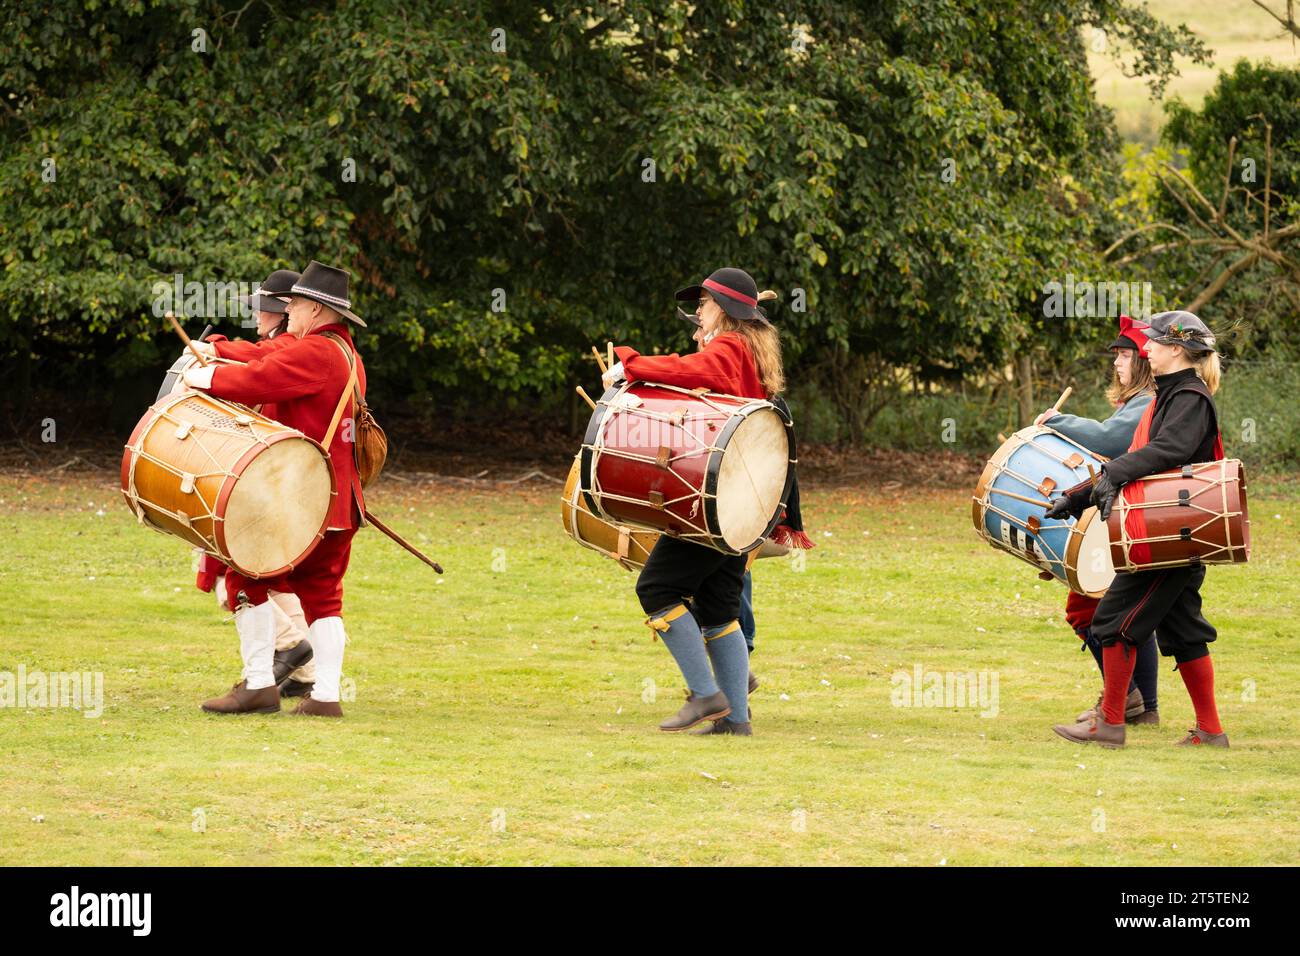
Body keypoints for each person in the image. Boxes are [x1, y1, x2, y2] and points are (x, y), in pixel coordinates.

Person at [182, 260, 368, 718]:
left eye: (298, 306)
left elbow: (258, 379)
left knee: (248, 574)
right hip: (336, 498)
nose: (291, 315)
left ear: (317, 310)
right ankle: (325, 696)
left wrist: (201, 377)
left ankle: (261, 684)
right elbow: (267, 359)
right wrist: (224, 352)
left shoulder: (317, 352)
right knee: (324, 595)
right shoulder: (346, 354)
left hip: (297, 494)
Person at [605, 267, 785, 736]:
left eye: (702, 304)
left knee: (657, 589)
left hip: (717, 499)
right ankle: (735, 722)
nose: (697, 312)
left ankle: (706, 696)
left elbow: (690, 370)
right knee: (718, 606)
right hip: (740, 504)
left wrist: (633, 365)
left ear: (721, 309)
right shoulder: (746, 350)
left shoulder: (728, 348)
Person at [1046, 311, 1228, 748]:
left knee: (1112, 620)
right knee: (1184, 630)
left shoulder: (1189, 396)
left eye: (1154, 343)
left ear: (1177, 350)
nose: (1146, 349)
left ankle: (1110, 723)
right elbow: (1137, 458)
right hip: (1171, 529)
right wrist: (1076, 497)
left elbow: (1168, 451)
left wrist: (1105, 479)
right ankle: (1211, 731)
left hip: (1168, 534)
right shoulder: (1171, 394)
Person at [193, 269, 316, 698]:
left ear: (284, 312)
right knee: (275, 573)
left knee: (242, 570)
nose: (258, 317)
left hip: (272, 475)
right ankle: (304, 672)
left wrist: (215, 353)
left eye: (264, 308)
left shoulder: (291, 347)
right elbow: (259, 355)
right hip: (283, 474)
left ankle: (288, 651)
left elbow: (258, 364)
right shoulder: (292, 346)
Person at [1035, 316, 1157, 726]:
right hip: (1134, 514)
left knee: (1087, 607)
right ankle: (1143, 705)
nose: (1118, 363)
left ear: (1143, 361)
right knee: (1145, 617)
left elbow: (1107, 440)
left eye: (1125, 355)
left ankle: (1127, 699)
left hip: (1135, 515)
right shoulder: (1141, 401)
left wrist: (1057, 420)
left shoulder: (1148, 400)